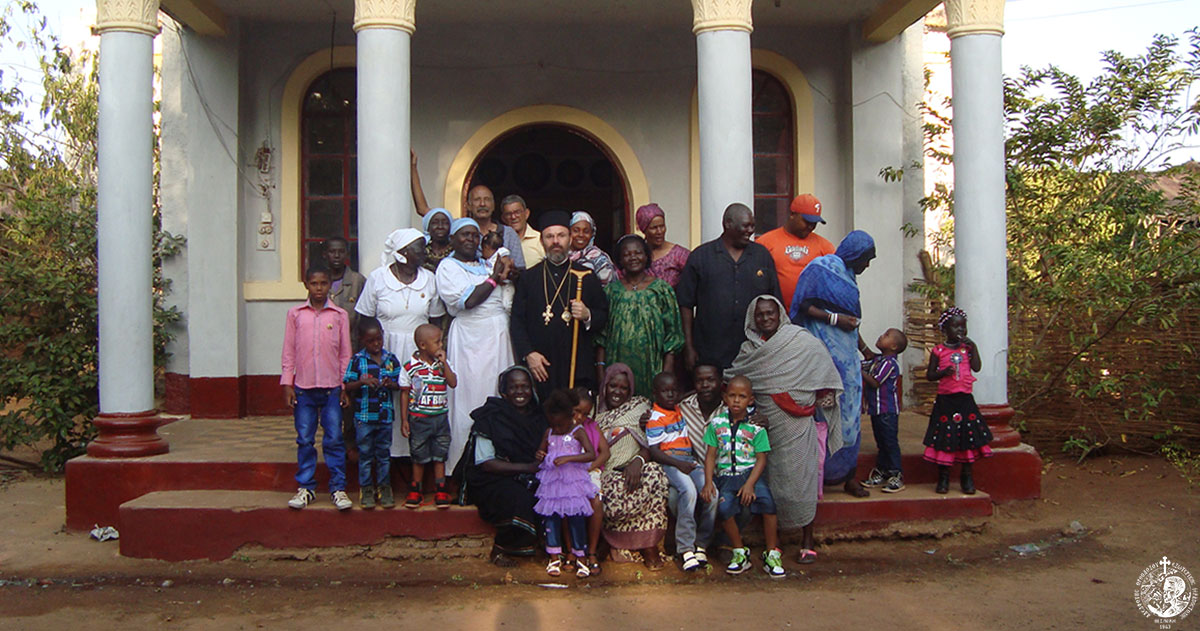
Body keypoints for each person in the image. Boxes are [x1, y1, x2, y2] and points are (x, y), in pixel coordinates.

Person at [729, 296, 843, 565]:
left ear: (779, 313)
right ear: (752, 318)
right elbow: (737, 383)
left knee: (803, 481)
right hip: (764, 428)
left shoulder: (801, 341)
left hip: (798, 424)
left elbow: (824, 373)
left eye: (770, 313)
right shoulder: (749, 350)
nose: (765, 318)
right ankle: (774, 543)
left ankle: (807, 540)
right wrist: (752, 414)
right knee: (772, 483)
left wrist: (807, 398)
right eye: (760, 315)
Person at [789, 230, 877, 498]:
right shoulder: (821, 268)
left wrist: (864, 350)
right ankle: (819, 475)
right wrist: (835, 319)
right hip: (822, 357)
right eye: (866, 259)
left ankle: (848, 475)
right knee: (823, 414)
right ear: (854, 254)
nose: (867, 265)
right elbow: (803, 306)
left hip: (847, 363)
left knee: (850, 417)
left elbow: (852, 322)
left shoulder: (848, 276)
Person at [355, 228, 446, 461]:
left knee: (416, 398)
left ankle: (414, 456)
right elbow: (364, 319)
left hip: (420, 351)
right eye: (419, 248)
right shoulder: (378, 278)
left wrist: (434, 350)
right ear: (403, 252)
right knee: (389, 399)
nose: (424, 252)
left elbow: (436, 320)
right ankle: (388, 457)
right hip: (385, 348)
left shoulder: (429, 279)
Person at [436, 218, 515, 473]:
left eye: (474, 235)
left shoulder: (487, 262)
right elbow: (469, 301)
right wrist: (493, 279)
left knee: (497, 393)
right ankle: (462, 468)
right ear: (452, 240)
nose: (471, 239)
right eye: (464, 235)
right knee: (467, 400)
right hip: (468, 339)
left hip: (497, 335)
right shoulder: (447, 267)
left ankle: (497, 463)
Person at [511, 210, 609, 401]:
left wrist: (587, 315)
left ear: (570, 239)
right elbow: (517, 321)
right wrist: (529, 354)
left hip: (576, 364)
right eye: (549, 236)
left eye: (561, 235)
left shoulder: (586, 277)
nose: (555, 241)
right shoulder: (528, 278)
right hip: (540, 366)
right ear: (542, 241)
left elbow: (603, 315)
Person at [676, 203, 781, 371]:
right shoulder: (701, 256)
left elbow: (775, 302)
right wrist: (688, 346)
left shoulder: (762, 256)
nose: (750, 231)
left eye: (752, 226)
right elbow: (685, 304)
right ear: (728, 224)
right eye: (745, 225)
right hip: (710, 350)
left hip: (753, 351)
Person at [281, 267, 353, 511]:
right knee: (305, 438)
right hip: (303, 388)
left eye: (323, 283)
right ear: (306, 285)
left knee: (334, 438)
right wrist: (287, 383)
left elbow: (345, 354)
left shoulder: (339, 315)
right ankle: (306, 487)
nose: (319, 288)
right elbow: (289, 351)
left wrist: (344, 385)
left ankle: (338, 488)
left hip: (332, 388)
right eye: (314, 283)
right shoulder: (295, 314)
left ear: (330, 284)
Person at [699, 375, 784, 577]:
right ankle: (739, 552)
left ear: (751, 400)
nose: (736, 401)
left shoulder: (756, 426)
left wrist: (750, 484)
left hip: (750, 474)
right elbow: (710, 455)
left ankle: (771, 553)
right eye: (732, 396)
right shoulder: (716, 424)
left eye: (742, 396)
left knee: (768, 504)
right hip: (726, 476)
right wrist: (708, 482)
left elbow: (761, 459)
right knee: (724, 508)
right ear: (725, 398)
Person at [465, 366, 547, 566]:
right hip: (495, 476)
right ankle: (502, 549)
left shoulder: (540, 417)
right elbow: (486, 463)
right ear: (503, 392)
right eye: (513, 387)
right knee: (519, 498)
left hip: (532, 473)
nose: (520, 392)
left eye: (525, 386)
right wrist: (527, 468)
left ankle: (550, 549)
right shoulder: (490, 417)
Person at [594, 363, 668, 570]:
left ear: (630, 390)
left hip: (635, 468)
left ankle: (649, 545)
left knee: (656, 474)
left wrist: (638, 462)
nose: (617, 392)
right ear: (605, 385)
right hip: (605, 472)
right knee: (612, 494)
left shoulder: (640, 408)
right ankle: (612, 540)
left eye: (623, 388)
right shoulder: (592, 409)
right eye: (613, 386)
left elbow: (649, 444)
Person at [595, 234, 684, 397]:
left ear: (646, 256)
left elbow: (673, 334)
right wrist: (601, 369)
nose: (633, 257)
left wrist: (667, 370)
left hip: (652, 366)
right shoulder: (611, 292)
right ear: (620, 260)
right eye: (627, 254)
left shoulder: (661, 290)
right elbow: (602, 336)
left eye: (638, 253)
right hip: (617, 364)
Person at [645, 372, 716, 572]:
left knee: (712, 493)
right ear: (655, 394)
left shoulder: (677, 408)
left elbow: (685, 394)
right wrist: (679, 464)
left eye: (674, 391)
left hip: (688, 459)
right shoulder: (655, 418)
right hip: (669, 461)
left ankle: (701, 544)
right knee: (689, 491)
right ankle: (685, 549)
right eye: (665, 391)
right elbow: (654, 452)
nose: (670, 395)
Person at [409, 151, 526, 269]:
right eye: (477, 200)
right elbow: (422, 209)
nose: (482, 204)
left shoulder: (509, 234)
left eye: (487, 199)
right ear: (467, 205)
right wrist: (413, 166)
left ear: (493, 205)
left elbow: (520, 270)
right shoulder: (456, 228)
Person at [924, 308, 993, 494]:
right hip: (946, 401)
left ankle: (967, 477)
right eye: (955, 326)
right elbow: (930, 375)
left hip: (965, 400)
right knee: (945, 438)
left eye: (963, 326)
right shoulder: (938, 351)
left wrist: (974, 348)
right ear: (945, 329)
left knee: (967, 437)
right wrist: (942, 373)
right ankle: (943, 477)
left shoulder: (967, 349)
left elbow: (977, 368)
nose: (960, 330)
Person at [534, 389, 597, 578]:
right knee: (551, 518)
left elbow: (591, 454)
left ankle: (581, 558)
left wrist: (569, 458)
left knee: (576, 519)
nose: (557, 428)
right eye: (553, 424)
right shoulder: (549, 432)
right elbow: (541, 451)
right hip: (552, 483)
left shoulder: (578, 432)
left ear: (571, 417)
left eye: (561, 424)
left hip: (573, 484)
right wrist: (540, 454)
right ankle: (554, 557)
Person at [342, 317, 402, 509]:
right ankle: (366, 488)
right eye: (370, 341)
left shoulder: (390, 359)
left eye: (379, 339)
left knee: (384, 453)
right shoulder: (357, 360)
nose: (376, 344)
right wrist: (362, 382)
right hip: (364, 417)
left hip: (385, 416)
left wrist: (391, 384)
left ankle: (384, 487)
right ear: (362, 340)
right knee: (366, 454)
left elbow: (400, 384)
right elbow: (347, 385)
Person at [399, 323, 458, 509]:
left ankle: (440, 489)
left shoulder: (442, 365)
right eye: (437, 342)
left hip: (440, 418)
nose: (441, 345)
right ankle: (416, 489)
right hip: (419, 419)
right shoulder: (410, 367)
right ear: (423, 345)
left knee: (440, 454)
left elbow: (453, 383)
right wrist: (404, 420)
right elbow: (404, 393)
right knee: (419, 454)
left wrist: (444, 364)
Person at [756, 194, 836, 310]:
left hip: (812, 316)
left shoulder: (825, 246)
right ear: (792, 214)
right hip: (776, 315)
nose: (811, 227)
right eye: (807, 221)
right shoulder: (766, 242)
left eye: (814, 223)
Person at [861, 328, 909, 494]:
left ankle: (896, 474)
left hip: (887, 411)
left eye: (887, 335)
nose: (881, 336)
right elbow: (864, 363)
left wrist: (859, 372)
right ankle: (883, 471)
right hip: (877, 410)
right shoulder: (878, 360)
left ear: (893, 346)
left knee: (890, 443)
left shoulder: (889, 364)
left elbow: (875, 382)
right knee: (881, 443)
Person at [572, 387, 609, 576]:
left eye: (585, 413)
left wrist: (589, 467)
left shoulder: (592, 426)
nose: (580, 417)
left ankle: (592, 551)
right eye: (576, 411)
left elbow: (605, 452)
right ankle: (572, 551)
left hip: (589, 471)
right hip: (566, 474)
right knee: (568, 500)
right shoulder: (560, 426)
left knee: (596, 501)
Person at [322, 236, 367, 347]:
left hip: (352, 344)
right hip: (324, 344)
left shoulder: (357, 281)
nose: (337, 256)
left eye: (341, 252)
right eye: (332, 252)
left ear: (347, 254)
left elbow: (366, 316)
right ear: (325, 254)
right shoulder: (319, 281)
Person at [635, 203, 690, 287]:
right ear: (644, 230)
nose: (659, 231)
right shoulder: (636, 256)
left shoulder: (679, 255)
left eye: (662, 226)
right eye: (654, 228)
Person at [678, 364, 724, 453]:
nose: (705, 385)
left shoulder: (731, 409)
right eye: (699, 381)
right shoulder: (683, 408)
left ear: (721, 381)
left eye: (710, 380)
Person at [568, 211, 617, 286]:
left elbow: (609, 289)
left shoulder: (600, 260)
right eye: (576, 230)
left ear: (592, 234)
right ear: (568, 232)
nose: (581, 235)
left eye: (586, 231)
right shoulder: (560, 256)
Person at [500, 194, 544, 268]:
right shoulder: (499, 240)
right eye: (508, 214)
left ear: (526, 214)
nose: (513, 217)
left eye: (517, 212)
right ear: (503, 218)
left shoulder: (540, 239)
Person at [421, 208, 454, 273]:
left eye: (445, 223)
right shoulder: (421, 249)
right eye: (435, 223)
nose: (440, 226)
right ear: (428, 227)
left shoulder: (456, 250)